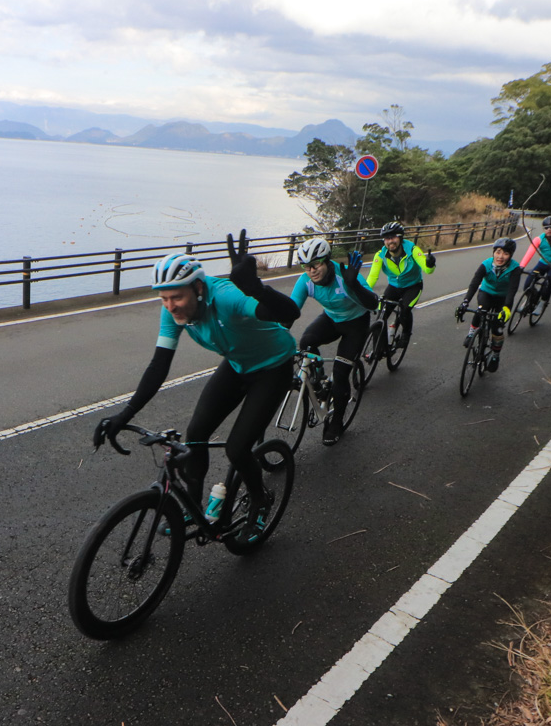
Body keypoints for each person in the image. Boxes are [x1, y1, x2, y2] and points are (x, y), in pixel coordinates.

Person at [93, 230, 300, 540]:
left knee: (237, 448)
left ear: (199, 288)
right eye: (164, 298)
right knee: (196, 436)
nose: (171, 305)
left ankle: (260, 499)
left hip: (273, 367)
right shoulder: (173, 313)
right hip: (236, 364)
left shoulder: (227, 297)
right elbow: (159, 366)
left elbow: (289, 313)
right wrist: (125, 414)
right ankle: (193, 507)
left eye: (177, 296)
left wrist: (256, 288)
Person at [290, 237, 378, 446]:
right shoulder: (305, 281)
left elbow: (373, 303)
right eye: (306, 266)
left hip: (356, 324)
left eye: (316, 264)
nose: (311, 270)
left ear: (327, 260)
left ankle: (337, 422)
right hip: (331, 318)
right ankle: (320, 384)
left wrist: (354, 284)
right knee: (307, 343)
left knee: (340, 374)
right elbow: (290, 312)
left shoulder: (344, 275)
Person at [456, 237, 522, 373]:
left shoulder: (515, 269)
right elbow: (474, 283)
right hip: (486, 292)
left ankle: (495, 356)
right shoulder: (486, 264)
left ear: (510, 255)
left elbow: (512, 291)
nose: (500, 256)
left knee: (497, 328)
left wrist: (507, 308)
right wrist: (465, 301)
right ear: (493, 252)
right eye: (498, 252)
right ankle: (471, 333)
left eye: (505, 253)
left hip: (503, 298)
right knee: (480, 310)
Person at [365, 221, 436, 346]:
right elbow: (372, 277)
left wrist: (430, 264)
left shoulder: (412, 249)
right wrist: (362, 293)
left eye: (393, 237)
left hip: (413, 286)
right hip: (394, 286)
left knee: (405, 311)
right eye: (386, 238)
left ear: (400, 238)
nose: (390, 241)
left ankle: (406, 334)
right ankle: (378, 348)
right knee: (381, 315)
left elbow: (427, 269)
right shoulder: (380, 255)